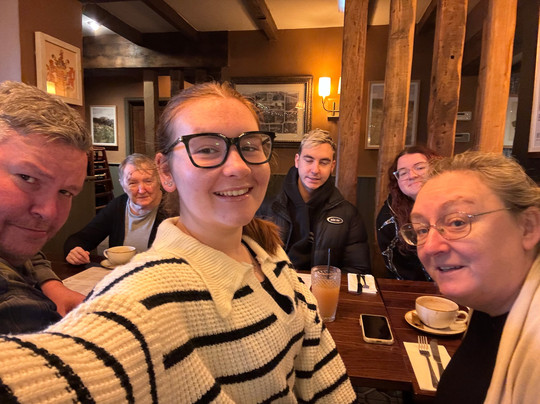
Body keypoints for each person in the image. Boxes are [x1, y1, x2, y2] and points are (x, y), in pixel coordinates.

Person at [0, 82, 356, 403]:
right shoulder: (143, 296)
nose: (238, 167)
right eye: (207, 149)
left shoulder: (268, 252)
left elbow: (322, 372)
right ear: (166, 172)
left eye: (249, 146)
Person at [399, 151, 540, 403]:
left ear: (528, 227)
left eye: (457, 223)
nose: (430, 247)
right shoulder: (486, 309)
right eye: (421, 229)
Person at [0, 80, 92, 333]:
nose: (49, 212)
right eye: (27, 178)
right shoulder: (14, 309)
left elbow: (24, 248)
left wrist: (51, 284)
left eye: (65, 192)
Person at [258, 128, 371, 274]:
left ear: (332, 166)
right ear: (297, 161)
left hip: (323, 287)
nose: (315, 170)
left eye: (323, 162)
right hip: (279, 285)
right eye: (309, 160)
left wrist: (324, 282)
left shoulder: (348, 214)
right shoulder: (265, 208)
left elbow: (358, 270)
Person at [64, 153, 166, 265]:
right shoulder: (117, 206)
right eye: (132, 183)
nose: (141, 190)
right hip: (122, 274)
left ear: (159, 180)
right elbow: (80, 239)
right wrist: (75, 251)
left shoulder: (173, 208)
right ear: (122, 185)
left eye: (148, 181)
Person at [376, 145, 439, 280]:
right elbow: (400, 273)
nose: (412, 175)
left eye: (420, 168)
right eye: (403, 173)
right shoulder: (389, 218)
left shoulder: (460, 205)